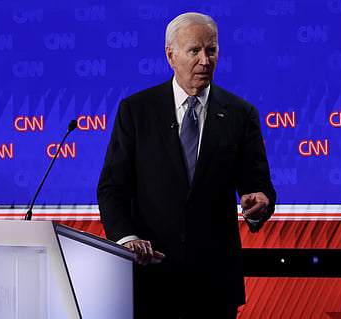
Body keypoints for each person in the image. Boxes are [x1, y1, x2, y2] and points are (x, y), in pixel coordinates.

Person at [97, 12, 276, 319]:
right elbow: (112, 187)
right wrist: (127, 239)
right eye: (195, 51)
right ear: (171, 55)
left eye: (212, 50)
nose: (205, 60)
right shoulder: (137, 110)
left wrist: (260, 201)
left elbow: (258, 185)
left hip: (215, 285)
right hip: (151, 278)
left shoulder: (241, 113)